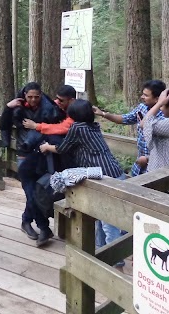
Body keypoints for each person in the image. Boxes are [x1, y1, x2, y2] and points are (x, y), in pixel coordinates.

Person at [40, 99, 126, 268]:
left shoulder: (77, 128)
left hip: (103, 178)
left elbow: (63, 148)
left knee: (109, 223)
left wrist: (47, 147)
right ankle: (102, 255)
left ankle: (117, 263)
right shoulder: (93, 126)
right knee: (101, 218)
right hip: (115, 172)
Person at [0, 82, 72, 246]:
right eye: (30, 96)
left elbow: (60, 126)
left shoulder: (50, 108)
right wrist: (7, 108)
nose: (33, 100)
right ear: (24, 95)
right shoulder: (17, 107)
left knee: (38, 192)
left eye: (36, 97)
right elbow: (4, 125)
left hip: (43, 155)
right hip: (25, 154)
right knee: (31, 192)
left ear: (41, 95)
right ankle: (43, 227)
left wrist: (38, 127)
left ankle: (26, 221)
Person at [93, 79, 166, 176]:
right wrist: (102, 114)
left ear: (157, 99)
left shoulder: (165, 117)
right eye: (142, 94)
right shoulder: (142, 108)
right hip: (139, 166)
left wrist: (148, 158)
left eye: (146, 95)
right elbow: (124, 119)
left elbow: (167, 146)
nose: (142, 97)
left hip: (156, 167)